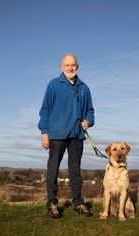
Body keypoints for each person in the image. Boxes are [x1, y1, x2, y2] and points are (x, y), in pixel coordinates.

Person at [38, 54, 95, 219]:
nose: (70, 68)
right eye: (67, 65)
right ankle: (52, 204)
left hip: (77, 135)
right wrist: (44, 133)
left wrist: (88, 122)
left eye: (73, 65)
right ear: (61, 67)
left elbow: (90, 111)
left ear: (77, 66)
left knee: (75, 170)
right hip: (56, 134)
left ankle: (78, 203)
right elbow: (45, 110)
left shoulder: (84, 87)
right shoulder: (54, 85)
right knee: (53, 169)